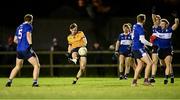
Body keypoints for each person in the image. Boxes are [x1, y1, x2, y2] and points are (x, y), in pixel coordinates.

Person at [5, 14, 40, 87]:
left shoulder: (19, 27)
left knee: (18, 66)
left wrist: (20, 43)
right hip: (26, 48)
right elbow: (28, 35)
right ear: (31, 20)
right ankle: (35, 82)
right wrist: (30, 45)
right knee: (36, 65)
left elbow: (15, 40)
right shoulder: (29, 26)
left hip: (19, 49)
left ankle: (9, 82)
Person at [156, 14, 179, 84]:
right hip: (160, 50)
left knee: (168, 64)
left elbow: (176, 24)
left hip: (168, 49)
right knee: (163, 64)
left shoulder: (169, 30)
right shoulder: (158, 30)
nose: (162, 25)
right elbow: (155, 21)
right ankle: (172, 75)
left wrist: (176, 17)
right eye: (161, 24)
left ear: (166, 25)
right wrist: (154, 15)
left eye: (163, 24)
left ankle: (166, 78)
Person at [131, 14, 153, 86]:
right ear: (144, 20)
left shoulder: (134, 26)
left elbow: (133, 36)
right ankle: (146, 81)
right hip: (139, 48)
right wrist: (151, 44)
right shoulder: (140, 28)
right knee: (149, 63)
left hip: (135, 47)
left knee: (140, 65)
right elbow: (142, 40)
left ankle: (134, 82)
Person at [149, 6, 162, 83]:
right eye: (156, 19)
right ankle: (152, 77)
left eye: (158, 19)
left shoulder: (162, 27)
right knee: (154, 62)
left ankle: (169, 74)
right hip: (155, 46)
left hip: (162, 46)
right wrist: (153, 12)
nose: (156, 20)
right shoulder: (154, 26)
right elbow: (153, 18)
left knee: (163, 63)